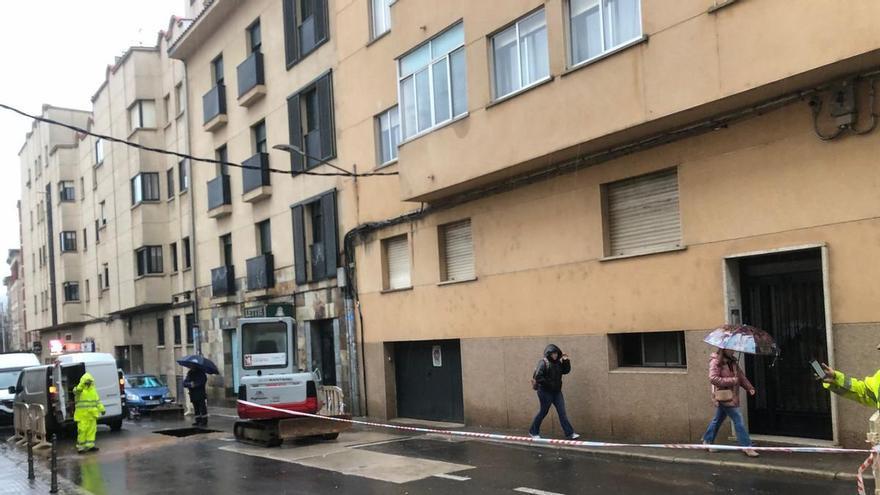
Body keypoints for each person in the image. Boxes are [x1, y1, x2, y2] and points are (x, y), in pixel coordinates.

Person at [701, 348, 759, 457]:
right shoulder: (716, 361)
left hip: (731, 396)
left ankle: (707, 440)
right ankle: (747, 447)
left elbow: (740, 376)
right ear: (724, 349)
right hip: (725, 396)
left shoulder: (733, 362)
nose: (733, 351)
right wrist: (732, 380)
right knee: (739, 420)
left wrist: (749, 387)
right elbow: (713, 378)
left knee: (717, 420)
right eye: (731, 349)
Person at [528, 344, 580, 440]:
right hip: (544, 392)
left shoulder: (558, 363)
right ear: (549, 354)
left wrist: (566, 360)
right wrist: (549, 384)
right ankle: (533, 431)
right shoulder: (543, 363)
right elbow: (538, 376)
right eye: (553, 354)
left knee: (562, 412)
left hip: (557, 392)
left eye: (556, 353)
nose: (555, 355)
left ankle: (570, 433)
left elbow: (566, 371)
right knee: (543, 411)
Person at [74, 372, 105, 453]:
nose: (88, 383)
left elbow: (98, 402)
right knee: (82, 431)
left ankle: (90, 446)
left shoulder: (93, 391)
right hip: (82, 416)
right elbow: (76, 391)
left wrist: (102, 409)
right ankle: (81, 447)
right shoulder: (79, 390)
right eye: (87, 382)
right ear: (83, 381)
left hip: (92, 415)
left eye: (89, 382)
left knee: (91, 431)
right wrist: (82, 384)